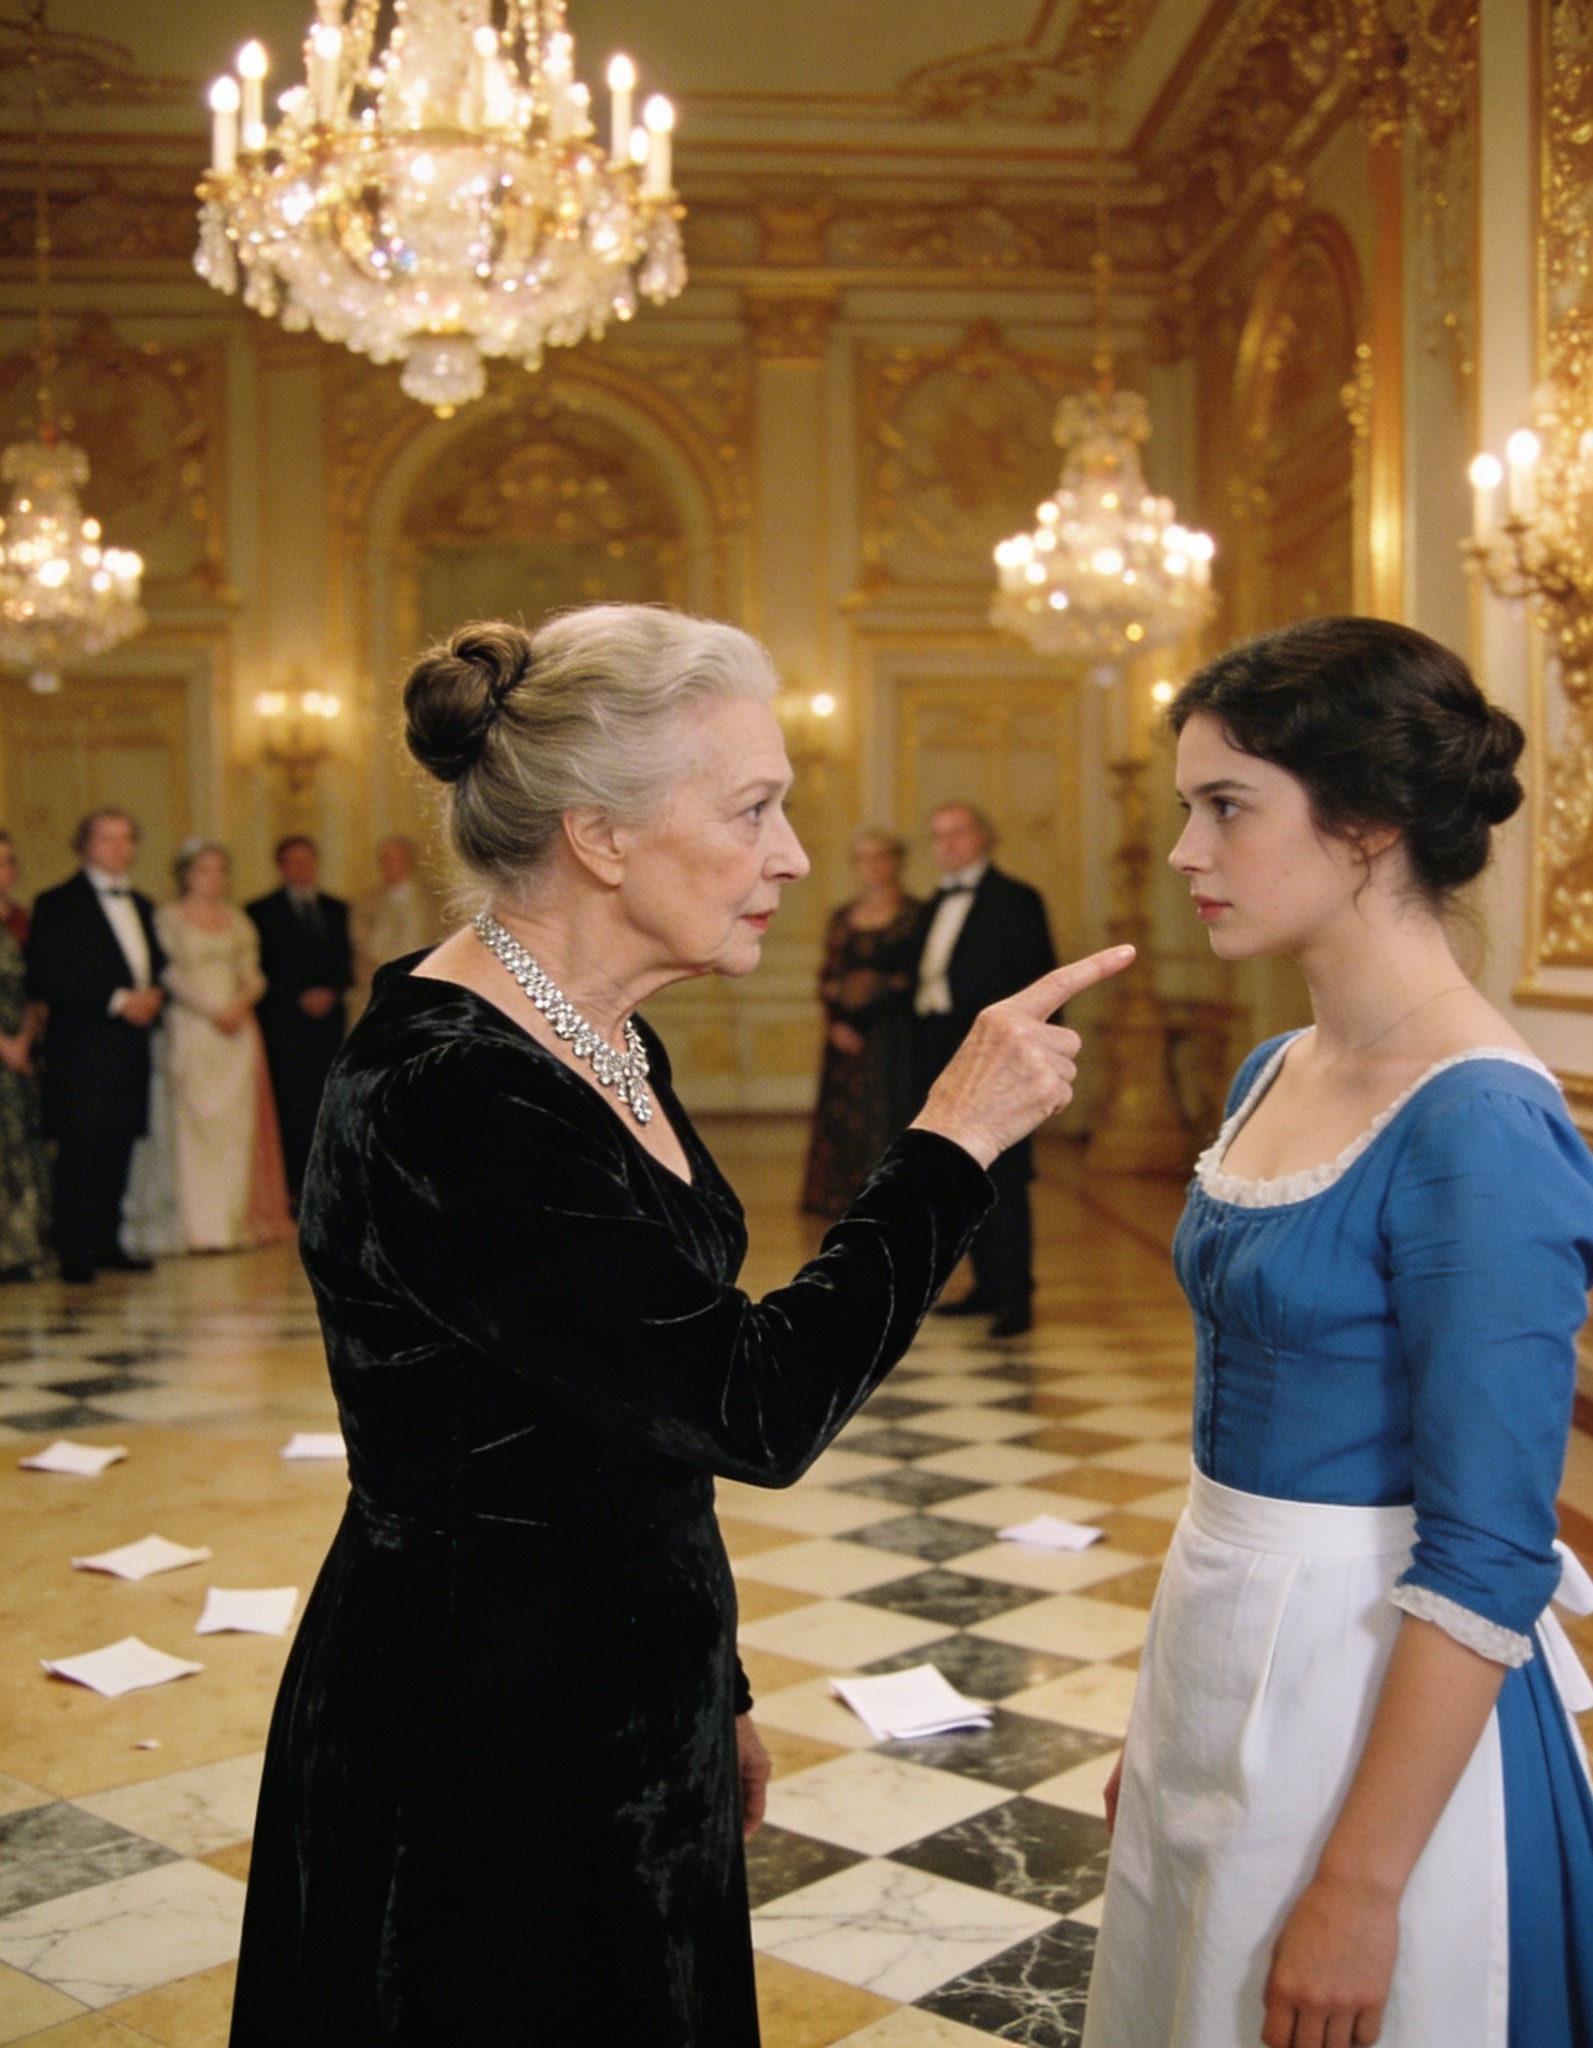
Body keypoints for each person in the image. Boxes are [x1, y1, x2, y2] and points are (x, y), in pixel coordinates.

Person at [227, 605, 1132, 2048]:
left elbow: (625, 1406)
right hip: (485, 1738)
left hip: (622, 1694)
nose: (792, 855)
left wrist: (713, 1686)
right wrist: (951, 1143)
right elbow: (746, 1402)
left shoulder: (601, 1036)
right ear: (599, 836)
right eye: (753, 808)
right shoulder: (450, 1089)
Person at [1082, 616, 1593, 2048]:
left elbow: (1491, 1547)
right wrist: (1164, 1723)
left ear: (1366, 825)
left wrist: (1364, 1886)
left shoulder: (1480, 1122)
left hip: (1373, 1694)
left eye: (1225, 807)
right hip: (1222, 1644)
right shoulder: (1273, 1066)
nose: (1185, 851)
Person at [907, 800, 1057, 1336]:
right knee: (960, 1174)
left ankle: (1015, 1296)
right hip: (937, 1053)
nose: (946, 844)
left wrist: (1035, 1064)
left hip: (997, 1058)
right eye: (937, 835)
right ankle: (984, 1286)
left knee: (1006, 1180)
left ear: (984, 838)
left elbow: (1040, 984)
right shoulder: (931, 904)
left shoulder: (1017, 900)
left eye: (957, 833)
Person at [25, 809, 166, 1285]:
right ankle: (74, 1249)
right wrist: (118, 1000)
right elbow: (48, 973)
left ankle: (108, 1242)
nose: (119, 848)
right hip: (82, 1047)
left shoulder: (142, 903)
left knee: (119, 1144)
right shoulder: (56, 904)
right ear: (84, 845)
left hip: (131, 1045)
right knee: (81, 1147)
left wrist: (153, 997)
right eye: (107, 839)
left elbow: (153, 966)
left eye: (126, 839)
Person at [156, 840, 293, 1253]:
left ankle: (231, 1223)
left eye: (220, 870)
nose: (213, 878)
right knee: (195, 1126)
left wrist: (238, 1006)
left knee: (235, 1129)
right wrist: (212, 1010)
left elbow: (254, 975)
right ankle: (199, 1227)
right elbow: (169, 974)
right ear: (186, 874)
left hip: (237, 1032)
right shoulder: (169, 918)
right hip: (194, 1027)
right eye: (204, 870)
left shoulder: (238, 921)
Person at [800, 827, 920, 1217]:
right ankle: (840, 1197)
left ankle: (887, 1197)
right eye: (863, 858)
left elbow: (911, 978)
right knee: (843, 1117)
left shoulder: (916, 914)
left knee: (888, 1113)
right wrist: (837, 1024)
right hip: (843, 1040)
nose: (872, 866)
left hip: (893, 1037)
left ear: (896, 861)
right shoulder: (842, 916)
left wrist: (865, 1020)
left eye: (880, 856)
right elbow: (829, 975)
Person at [246, 835, 352, 1206]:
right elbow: (260, 967)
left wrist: (331, 991)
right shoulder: (260, 911)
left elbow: (346, 961)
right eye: (293, 861)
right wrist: (298, 995)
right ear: (280, 866)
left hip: (329, 1023)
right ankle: (293, 1188)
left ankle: (330, 1183)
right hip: (285, 1023)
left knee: (329, 1101)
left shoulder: (336, 908)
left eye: (307, 860)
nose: (301, 867)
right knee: (291, 1105)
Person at [0, 832, 49, 1279]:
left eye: (7, 862)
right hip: (4, 1046)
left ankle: (24, 1249)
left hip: (22, 1050)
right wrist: (5, 1045)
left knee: (22, 1146)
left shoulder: (22, 921)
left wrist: (25, 1040)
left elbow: (39, 988)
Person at [351, 834, 445, 1011]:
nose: (392, 864)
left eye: (398, 859)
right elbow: (360, 948)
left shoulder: (435, 902)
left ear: (411, 860)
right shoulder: (365, 903)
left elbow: (444, 943)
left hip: (425, 988)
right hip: (380, 991)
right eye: (386, 859)